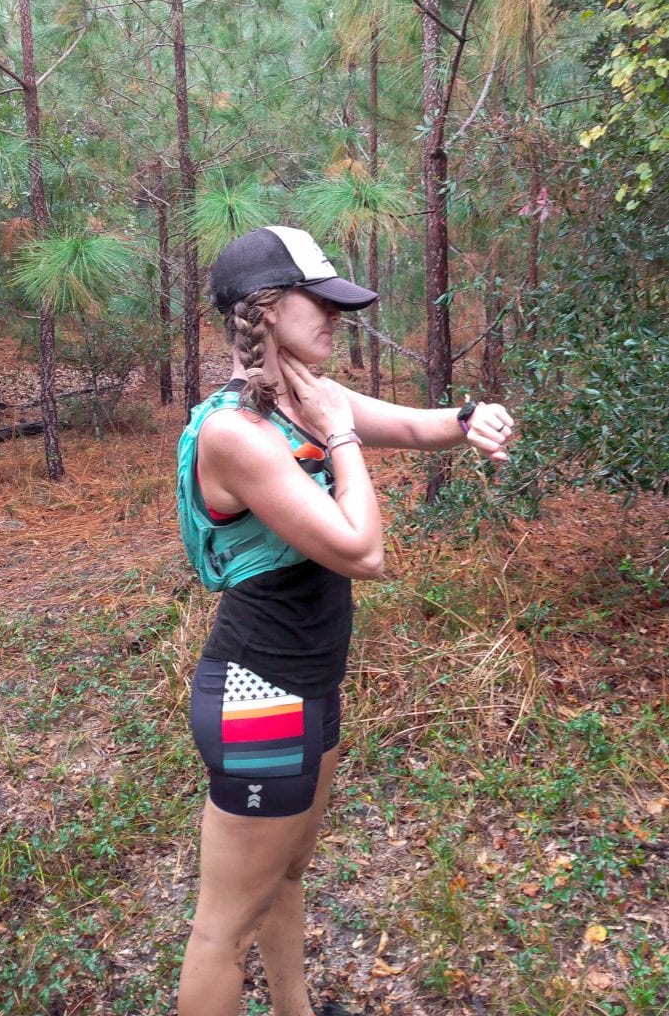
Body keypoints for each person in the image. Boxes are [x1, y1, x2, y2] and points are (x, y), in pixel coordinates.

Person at [175, 225, 514, 1016]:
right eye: (317, 300)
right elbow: (361, 551)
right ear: (261, 310)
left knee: (285, 876)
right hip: (259, 693)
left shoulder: (306, 402)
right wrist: (340, 435)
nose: (337, 314)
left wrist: (472, 417)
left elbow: (419, 424)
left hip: (307, 684)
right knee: (222, 928)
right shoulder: (238, 432)